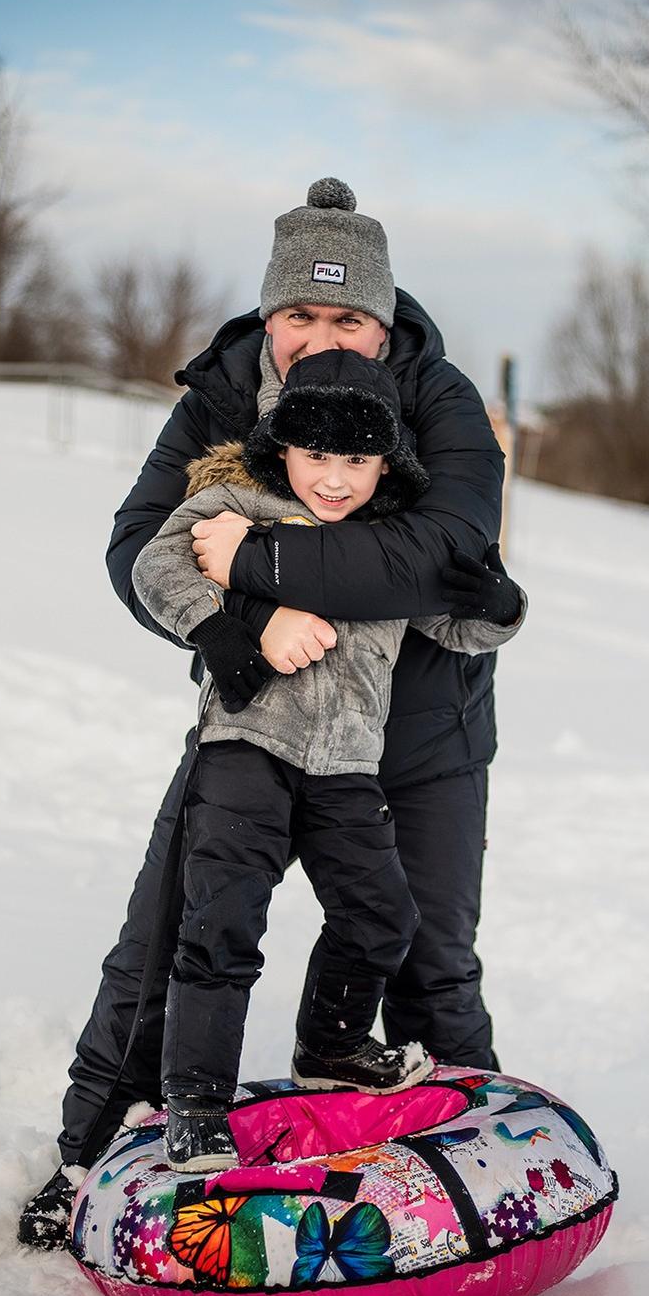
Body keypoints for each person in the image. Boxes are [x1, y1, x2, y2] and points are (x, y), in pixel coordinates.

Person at [18, 177, 512, 1244]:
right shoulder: (221, 391)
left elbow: (444, 552)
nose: (316, 335)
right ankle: (90, 1148)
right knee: (165, 936)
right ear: (269, 311)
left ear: (385, 321)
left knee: (423, 951)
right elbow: (138, 544)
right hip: (258, 717)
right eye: (300, 312)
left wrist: (258, 556)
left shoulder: (442, 398)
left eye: (346, 316)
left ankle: (476, 1166)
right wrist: (224, 626)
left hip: (421, 727)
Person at [130, 348, 525, 1171]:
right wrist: (218, 628)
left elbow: (456, 625)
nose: (336, 479)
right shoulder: (238, 502)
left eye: (358, 459)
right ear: (284, 449)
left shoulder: (393, 544)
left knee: (386, 914)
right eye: (317, 455)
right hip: (247, 749)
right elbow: (155, 564)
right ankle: (197, 1099)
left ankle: (332, 1043)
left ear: (388, 461)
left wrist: (499, 605)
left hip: (347, 765)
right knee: (222, 921)